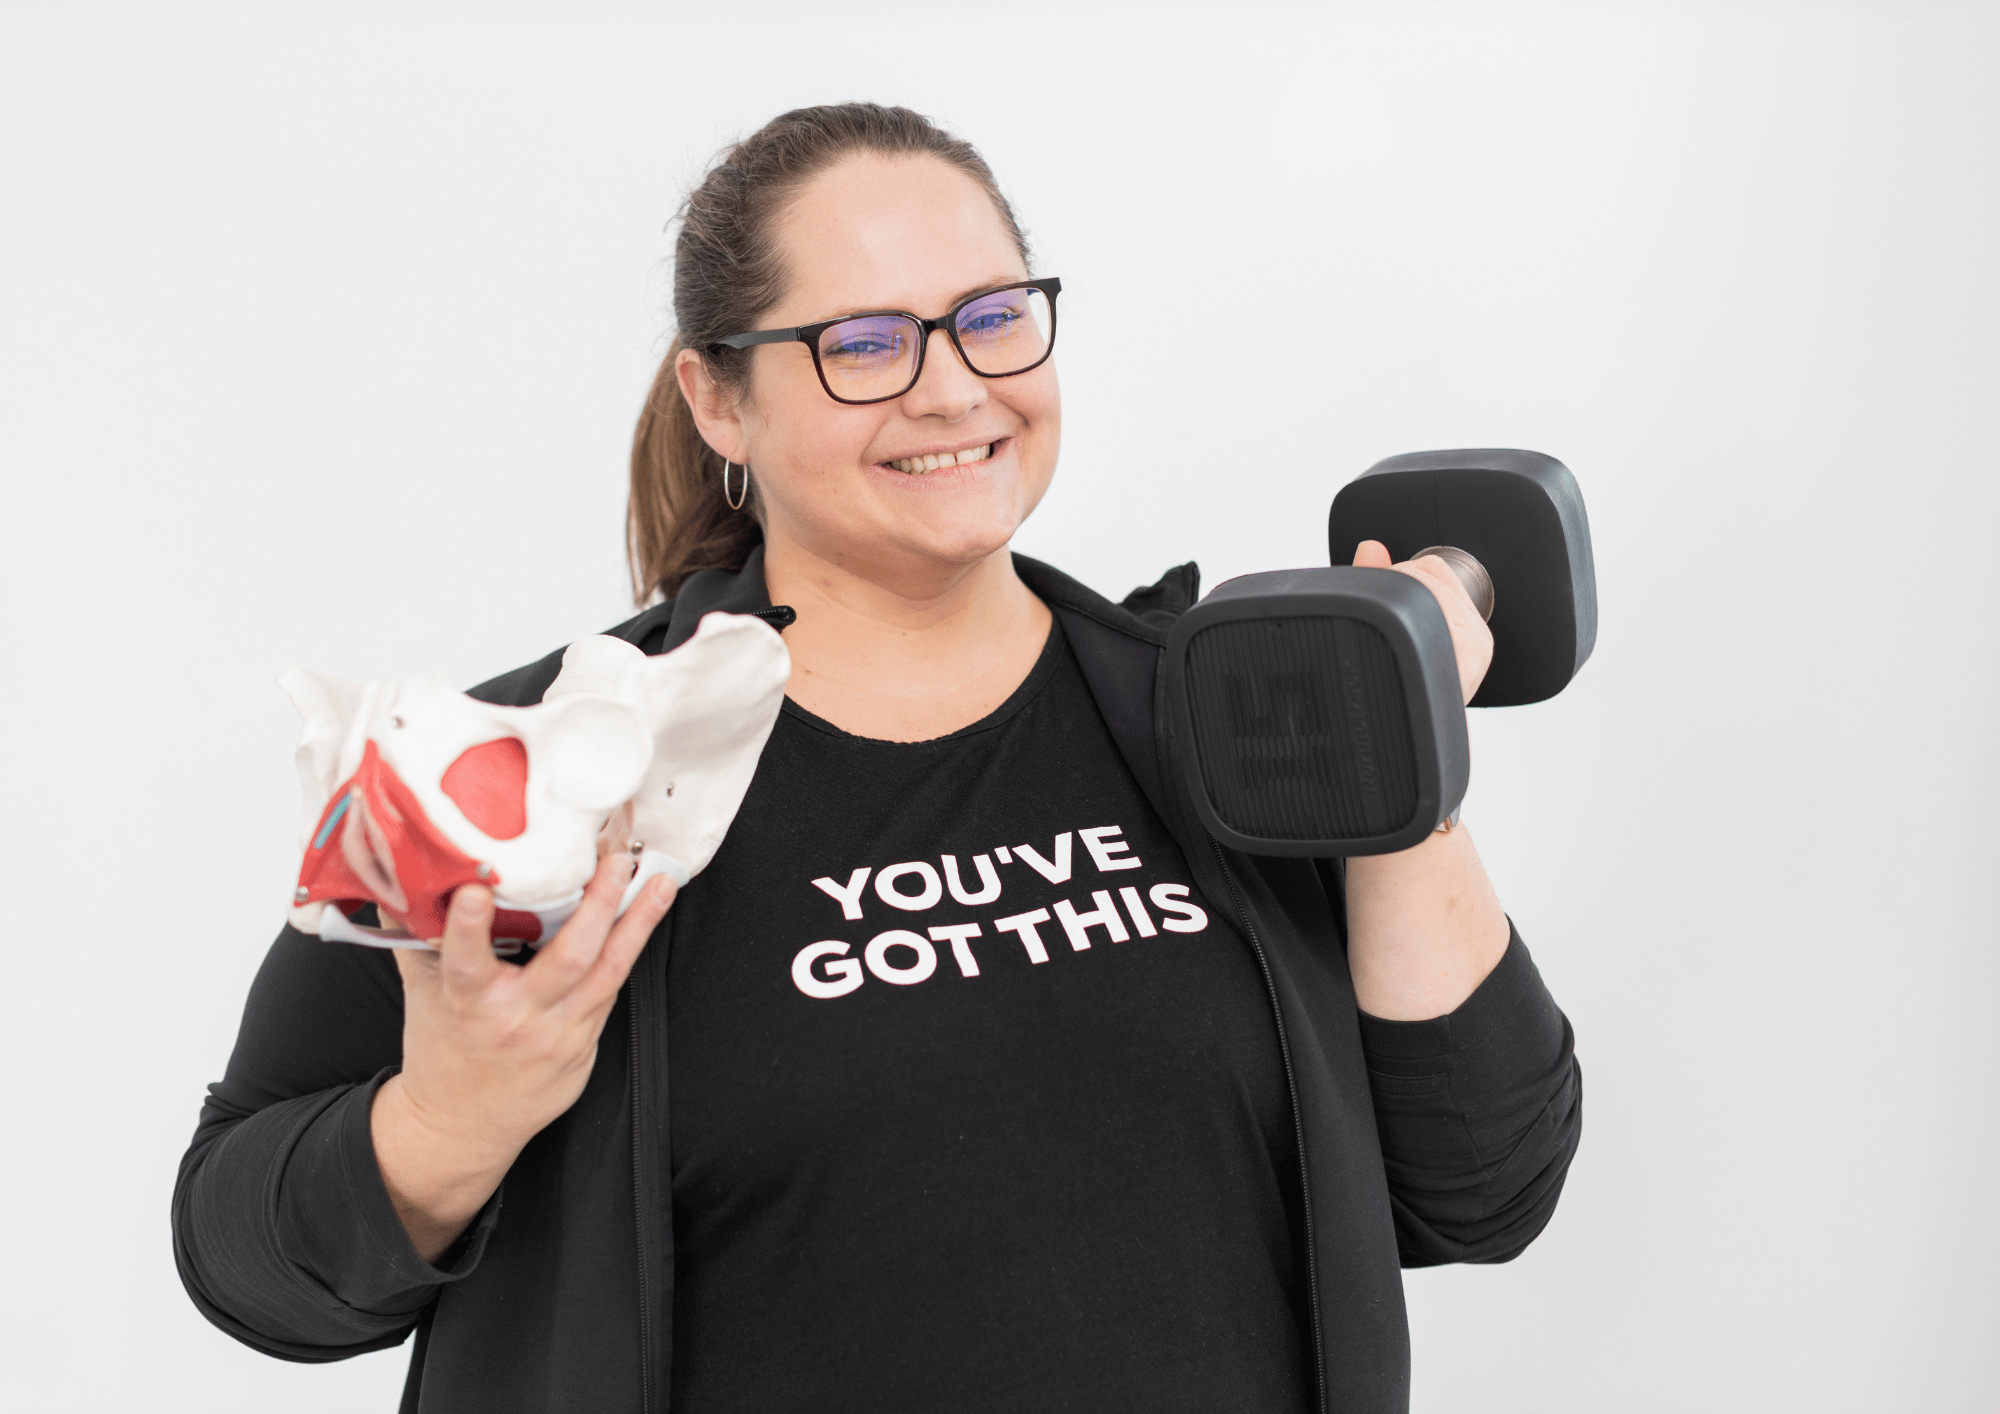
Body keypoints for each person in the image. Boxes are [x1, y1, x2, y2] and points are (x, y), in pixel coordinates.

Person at [174, 103, 1580, 1414]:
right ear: (720, 402)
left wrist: (1392, 756)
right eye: (862, 343)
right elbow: (242, 1257)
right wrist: (448, 1121)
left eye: (991, 319)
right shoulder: (529, 774)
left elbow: (1480, 1186)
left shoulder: (1216, 718)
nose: (953, 389)